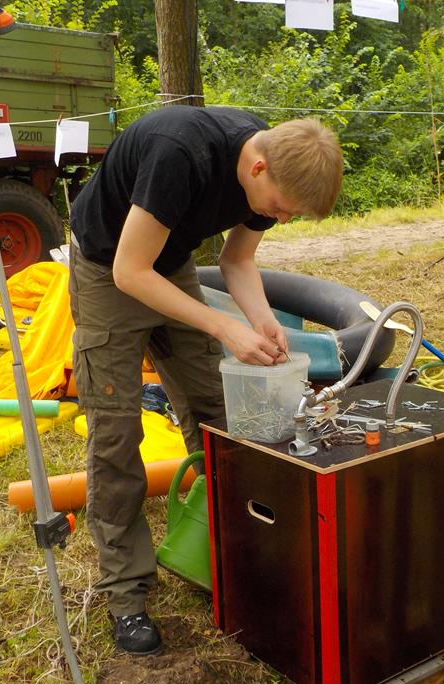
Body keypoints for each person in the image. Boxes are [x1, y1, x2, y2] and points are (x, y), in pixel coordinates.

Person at [68, 105, 343, 655]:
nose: (280, 219)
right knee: (116, 435)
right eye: (280, 209)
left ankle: (233, 553)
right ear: (258, 167)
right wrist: (223, 325)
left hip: (168, 268)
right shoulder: (179, 153)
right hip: (107, 269)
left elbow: (238, 261)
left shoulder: (272, 166)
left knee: (217, 412)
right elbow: (129, 272)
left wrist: (259, 320)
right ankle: (126, 593)